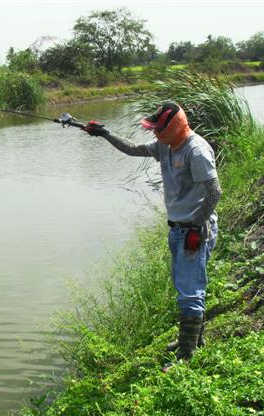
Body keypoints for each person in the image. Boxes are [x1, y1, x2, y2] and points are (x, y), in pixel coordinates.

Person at [84, 102, 222, 369]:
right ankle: (192, 340)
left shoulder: (196, 150)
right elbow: (134, 149)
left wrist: (197, 225)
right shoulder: (166, 145)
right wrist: (105, 133)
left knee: (190, 291)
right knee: (187, 285)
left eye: (160, 129)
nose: (156, 134)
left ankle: (187, 354)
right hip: (178, 228)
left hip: (195, 230)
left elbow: (215, 192)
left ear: (175, 127)